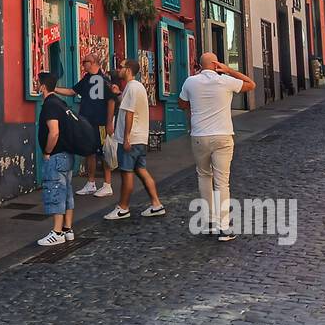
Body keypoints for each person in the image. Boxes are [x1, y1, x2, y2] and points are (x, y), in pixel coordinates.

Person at [178, 52, 256, 242]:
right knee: (222, 181)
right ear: (215, 64)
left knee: (204, 176)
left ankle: (208, 222)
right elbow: (251, 84)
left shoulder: (190, 82)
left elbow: (182, 104)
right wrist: (229, 70)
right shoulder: (226, 81)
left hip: (199, 136)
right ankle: (224, 227)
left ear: (199, 65)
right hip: (222, 136)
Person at [103, 59, 167, 221]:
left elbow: (129, 114)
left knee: (126, 174)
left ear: (129, 70)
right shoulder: (135, 87)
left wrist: (126, 138)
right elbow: (126, 106)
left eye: (121, 67)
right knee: (141, 170)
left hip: (132, 139)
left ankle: (123, 208)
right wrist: (118, 93)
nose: (119, 70)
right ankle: (156, 204)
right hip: (140, 138)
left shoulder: (131, 88)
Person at [58, 55, 117, 199]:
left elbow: (111, 101)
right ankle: (91, 183)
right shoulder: (86, 79)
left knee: (104, 152)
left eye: (85, 62)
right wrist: (54, 89)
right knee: (89, 151)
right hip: (87, 122)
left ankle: (107, 184)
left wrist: (109, 122)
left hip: (101, 122)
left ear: (94, 63)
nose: (83, 64)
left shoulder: (104, 80)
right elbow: (72, 91)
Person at [36, 72, 76, 246]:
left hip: (57, 155)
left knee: (56, 191)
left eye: (38, 83)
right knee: (67, 192)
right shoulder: (61, 103)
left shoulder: (49, 105)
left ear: (43, 86)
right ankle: (68, 229)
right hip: (67, 154)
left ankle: (57, 232)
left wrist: (47, 151)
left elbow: (54, 131)